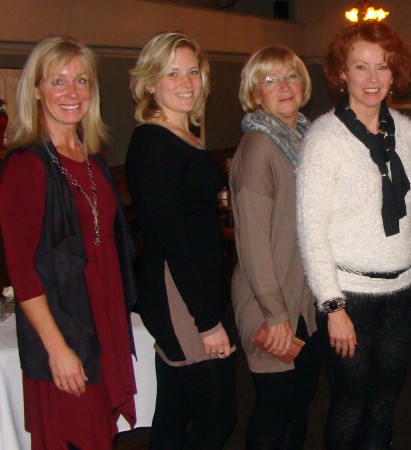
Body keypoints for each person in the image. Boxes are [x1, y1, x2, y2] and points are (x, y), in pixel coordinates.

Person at [0, 36, 137, 450]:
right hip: (67, 329)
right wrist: (57, 348)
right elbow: (23, 272)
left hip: (103, 321)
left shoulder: (92, 157)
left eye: (81, 80)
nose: (71, 92)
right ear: (36, 90)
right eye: (57, 81)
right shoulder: (26, 166)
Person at [296, 21, 411, 450]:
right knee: (350, 402)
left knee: (385, 403)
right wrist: (333, 306)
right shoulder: (324, 138)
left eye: (382, 66)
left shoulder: (407, 132)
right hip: (349, 295)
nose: (372, 78)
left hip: (401, 291)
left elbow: (410, 213)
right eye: (360, 66)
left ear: (394, 73)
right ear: (342, 73)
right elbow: (311, 230)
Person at [126, 32, 235, 449]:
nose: (186, 82)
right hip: (177, 292)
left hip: (191, 286)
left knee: (174, 410)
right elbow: (174, 242)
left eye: (192, 71)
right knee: (218, 413)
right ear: (150, 83)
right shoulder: (153, 143)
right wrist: (207, 321)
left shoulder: (181, 134)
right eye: (172, 73)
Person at [229, 45, 321, 450]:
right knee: (274, 407)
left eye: (291, 76)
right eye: (270, 80)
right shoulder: (260, 146)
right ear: (255, 93)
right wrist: (276, 313)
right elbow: (252, 243)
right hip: (270, 300)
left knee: (299, 403)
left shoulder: (307, 139)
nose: (284, 87)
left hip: (305, 300)